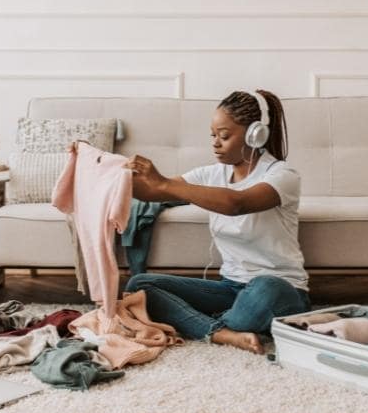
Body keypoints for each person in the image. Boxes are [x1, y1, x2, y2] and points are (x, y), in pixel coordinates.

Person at [123, 89, 310, 354]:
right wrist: (103, 168)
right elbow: (151, 192)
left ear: (254, 134)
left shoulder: (282, 175)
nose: (215, 143)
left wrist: (164, 182)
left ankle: (204, 322)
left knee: (264, 287)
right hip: (230, 287)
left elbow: (237, 203)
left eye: (224, 136)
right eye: (213, 135)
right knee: (140, 285)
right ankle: (224, 333)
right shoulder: (211, 174)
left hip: (280, 290)